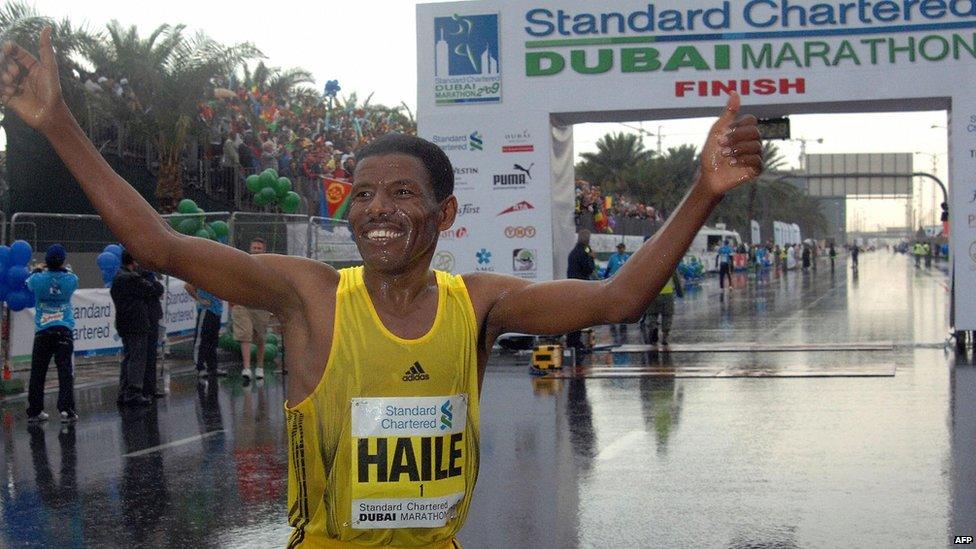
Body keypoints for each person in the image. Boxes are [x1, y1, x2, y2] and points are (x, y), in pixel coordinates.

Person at [0, 31, 762, 546]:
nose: (376, 210)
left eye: (401, 193)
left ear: (445, 212)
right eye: (362, 194)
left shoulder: (480, 305)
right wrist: (59, 123)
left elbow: (618, 300)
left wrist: (702, 192)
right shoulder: (313, 296)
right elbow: (157, 242)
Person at [25, 244, 79, 423]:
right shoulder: (70, 279)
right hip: (63, 328)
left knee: (38, 372)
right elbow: (73, 278)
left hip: (43, 329)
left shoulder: (38, 279)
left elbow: (28, 283)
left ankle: (34, 410)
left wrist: (38, 270)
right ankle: (66, 410)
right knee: (65, 370)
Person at [111, 251, 162, 406]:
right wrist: (150, 277)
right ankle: (134, 391)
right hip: (137, 322)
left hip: (124, 322)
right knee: (137, 358)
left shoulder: (118, 277)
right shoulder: (132, 278)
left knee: (128, 356)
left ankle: (124, 391)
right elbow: (155, 290)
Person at [232, 237, 273, 380]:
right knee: (245, 335)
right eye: (254, 248)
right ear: (250, 248)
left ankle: (260, 367)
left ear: (264, 250)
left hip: (261, 306)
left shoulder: (268, 266)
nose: (256, 250)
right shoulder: (243, 263)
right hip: (243, 304)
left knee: (261, 338)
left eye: (259, 248)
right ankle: (247, 368)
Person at [566, 229, 596, 352]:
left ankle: (572, 340)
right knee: (578, 316)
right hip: (580, 286)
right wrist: (592, 258)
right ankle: (574, 342)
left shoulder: (574, 251)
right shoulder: (583, 252)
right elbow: (589, 268)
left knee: (573, 315)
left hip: (572, 285)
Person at [186, 282, 224, 377]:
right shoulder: (202, 276)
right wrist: (199, 299)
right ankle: (200, 367)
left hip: (217, 310)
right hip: (206, 309)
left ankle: (213, 367)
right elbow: (188, 286)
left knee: (213, 340)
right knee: (202, 338)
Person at [640, 266, 684, 348]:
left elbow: (641, 279)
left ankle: (653, 327)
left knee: (651, 314)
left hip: (652, 294)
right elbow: (676, 279)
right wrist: (680, 293)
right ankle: (664, 337)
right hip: (667, 294)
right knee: (667, 315)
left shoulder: (648, 263)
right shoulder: (670, 262)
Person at [142, 269, 165, 398]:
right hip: (147, 317)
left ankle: (151, 386)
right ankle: (146, 387)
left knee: (151, 354)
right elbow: (156, 289)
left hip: (152, 316)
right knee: (147, 354)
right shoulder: (143, 273)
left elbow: (159, 288)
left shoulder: (149, 274)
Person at [603, 242, 631, 341]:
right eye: (618, 248)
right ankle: (612, 314)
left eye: (621, 248)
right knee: (613, 299)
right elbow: (608, 269)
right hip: (613, 281)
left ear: (624, 248)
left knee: (623, 300)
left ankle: (623, 314)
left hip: (624, 282)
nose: (620, 249)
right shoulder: (613, 257)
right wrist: (604, 279)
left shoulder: (627, 258)